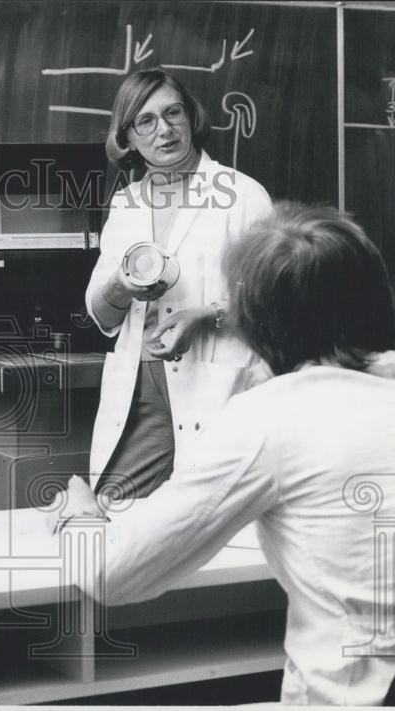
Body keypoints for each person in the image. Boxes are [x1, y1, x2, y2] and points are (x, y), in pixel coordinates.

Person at [61, 203, 395, 705]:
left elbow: (111, 576)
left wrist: (80, 519)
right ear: (378, 296)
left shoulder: (268, 415)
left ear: (254, 321)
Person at [86, 68, 272, 499]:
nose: (164, 130)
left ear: (191, 118)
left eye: (173, 113)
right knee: (113, 514)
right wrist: (122, 286)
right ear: (128, 138)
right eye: (146, 121)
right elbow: (101, 314)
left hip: (216, 383)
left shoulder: (242, 196)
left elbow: (279, 301)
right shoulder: (126, 203)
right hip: (141, 386)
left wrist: (207, 315)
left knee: (212, 526)